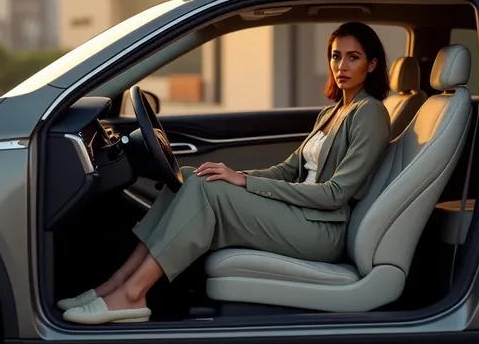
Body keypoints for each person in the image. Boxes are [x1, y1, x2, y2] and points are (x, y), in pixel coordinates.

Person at [58, 21, 392, 325]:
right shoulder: (333, 112)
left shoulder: (370, 114)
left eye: (353, 58)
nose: (341, 66)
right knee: (193, 176)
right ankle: (115, 285)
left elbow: (336, 193)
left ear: (372, 64)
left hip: (321, 229)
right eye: (336, 56)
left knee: (212, 191)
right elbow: (289, 170)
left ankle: (133, 295)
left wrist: (245, 183)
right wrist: (233, 172)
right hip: (300, 215)